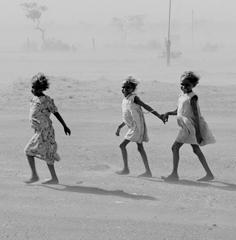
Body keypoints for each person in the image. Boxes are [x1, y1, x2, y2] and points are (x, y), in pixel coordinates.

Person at [162, 71, 215, 182]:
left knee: (175, 147)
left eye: (187, 85)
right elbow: (179, 111)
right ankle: (209, 174)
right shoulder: (182, 96)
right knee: (196, 149)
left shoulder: (193, 97)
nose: (184, 86)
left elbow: (196, 115)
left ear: (193, 85)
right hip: (185, 126)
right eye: (182, 84)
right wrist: (168, 113)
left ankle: (174, 174)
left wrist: (198, 133)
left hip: (189, 127)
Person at [24, 73, 71, 184]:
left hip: (45, 132)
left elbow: (56, 113)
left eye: (34, 88)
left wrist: (65, 126)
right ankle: (54, 178)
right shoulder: (34, 99)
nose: (32, 89)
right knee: (48, 154)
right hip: (39, 131)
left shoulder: (47, 100)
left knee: (28, 151)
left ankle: (35, 176)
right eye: (32, 87)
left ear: (40, 89)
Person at [116, 76, 166, 177]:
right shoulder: (125, 100)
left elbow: (146, 106)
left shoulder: (134, 98)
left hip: (138, 127)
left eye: (128, 87)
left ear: (133, 89)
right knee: (139, 147)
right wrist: (120, 127)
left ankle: (127, 169)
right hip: (132, 127)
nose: (125, 89)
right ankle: (147, 171)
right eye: (124, 87)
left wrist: (159, 116)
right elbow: (127, 117)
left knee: (123, 146)